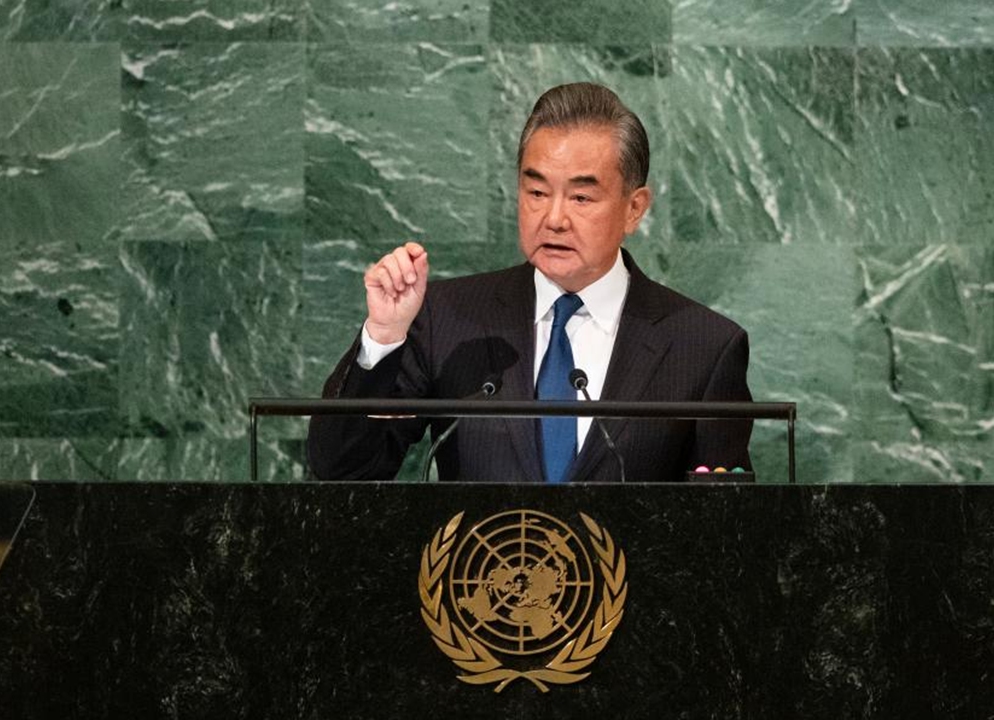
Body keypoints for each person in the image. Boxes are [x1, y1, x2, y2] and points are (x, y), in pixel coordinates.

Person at [307, 82, 753, 483]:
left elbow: (723, 534)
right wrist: (383, 338)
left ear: (634, 208)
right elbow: (343, 470)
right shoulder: (448, 318)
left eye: (581, 197)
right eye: (537, 192)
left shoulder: (704, 348)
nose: (554, 219)